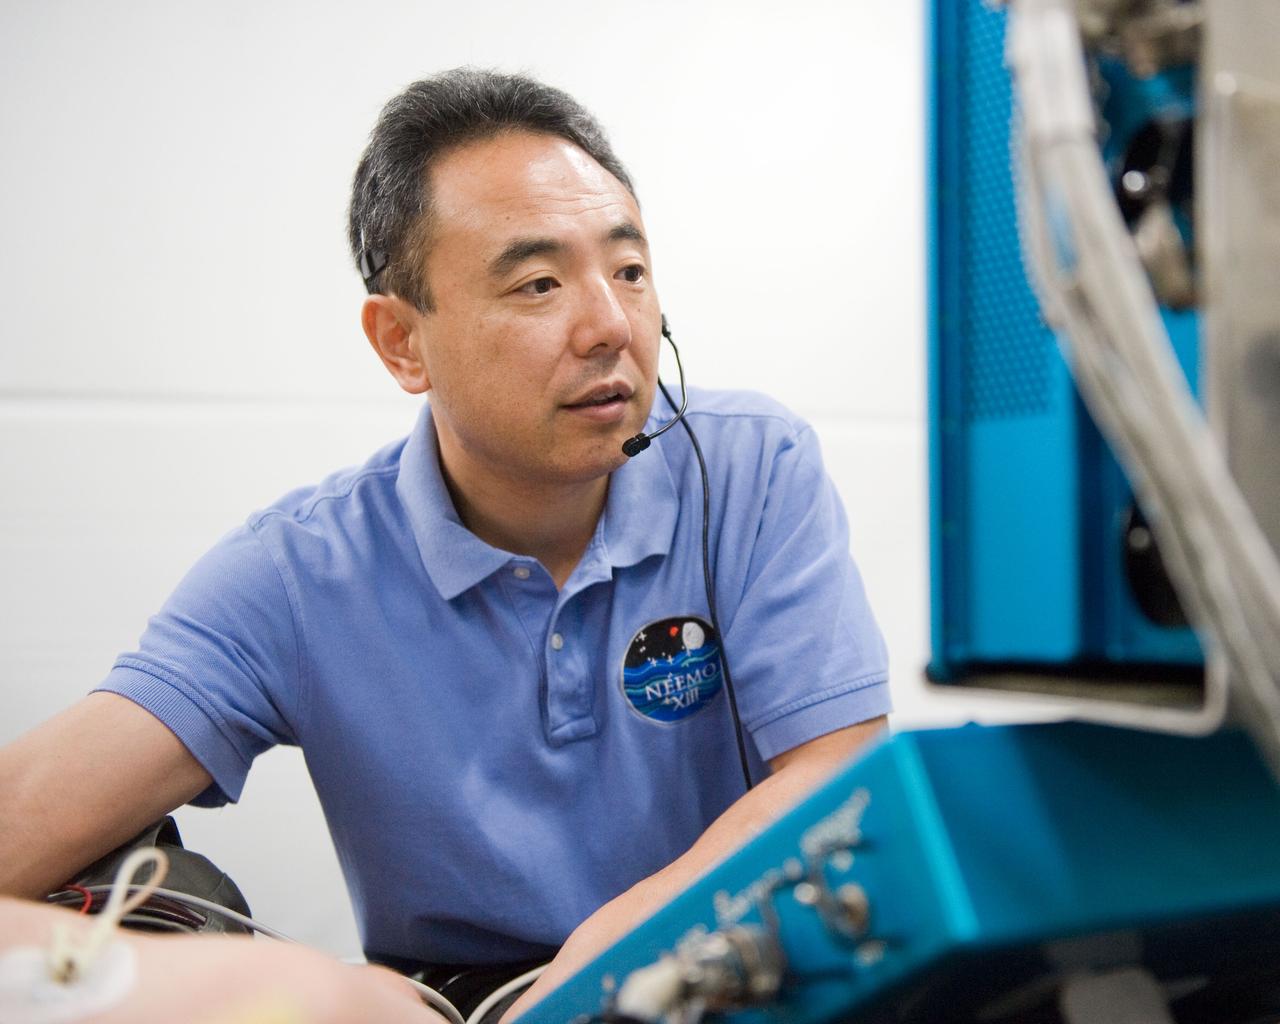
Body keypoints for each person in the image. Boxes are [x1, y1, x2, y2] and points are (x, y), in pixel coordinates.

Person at [0, 69, 891, 1020]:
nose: (610, 327)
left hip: (726, 965)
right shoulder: (300, 571)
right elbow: (25, 824)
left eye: (629, 271)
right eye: (539, 283)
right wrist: (263, 988)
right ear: (401, 344)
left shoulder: (754, 467)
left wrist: (587, 979)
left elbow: (830, 775)